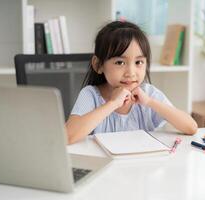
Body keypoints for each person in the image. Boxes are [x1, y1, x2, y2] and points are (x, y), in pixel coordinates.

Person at [66, 21, 197, 144]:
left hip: (141, 166)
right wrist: (112, 104)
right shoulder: (91, 95)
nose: (131, 72)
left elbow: (191, 127)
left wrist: (149, 102)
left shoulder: (148, 94)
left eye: (138, 62)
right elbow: (68, 136)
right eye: (120, 62)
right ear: (98, 65)